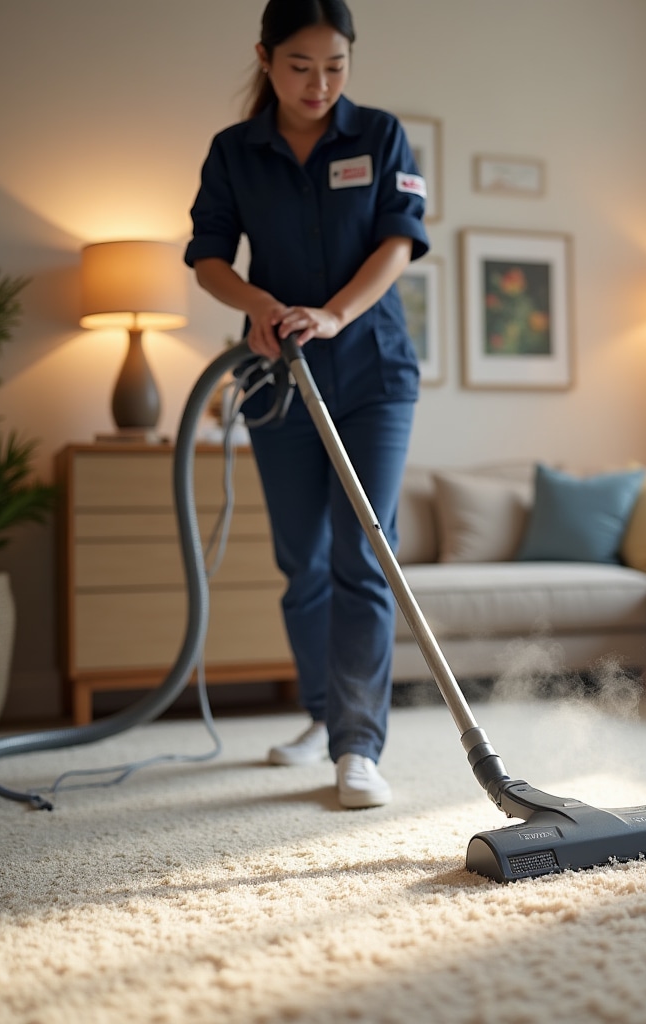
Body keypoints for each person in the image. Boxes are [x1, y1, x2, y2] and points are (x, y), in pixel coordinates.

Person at [184, 0, 429, 808]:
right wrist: (259, 302)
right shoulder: (235, 153)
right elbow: (208, 256)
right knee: (303, 560)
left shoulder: (380, 135)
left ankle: (358, 746)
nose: (319, 83)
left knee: (366, 551)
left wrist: (334, 315)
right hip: (278, 377)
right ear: (265, 56)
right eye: (299, 66)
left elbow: (397, 242)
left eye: (336, 66)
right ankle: (328, 718)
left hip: (372, 371)